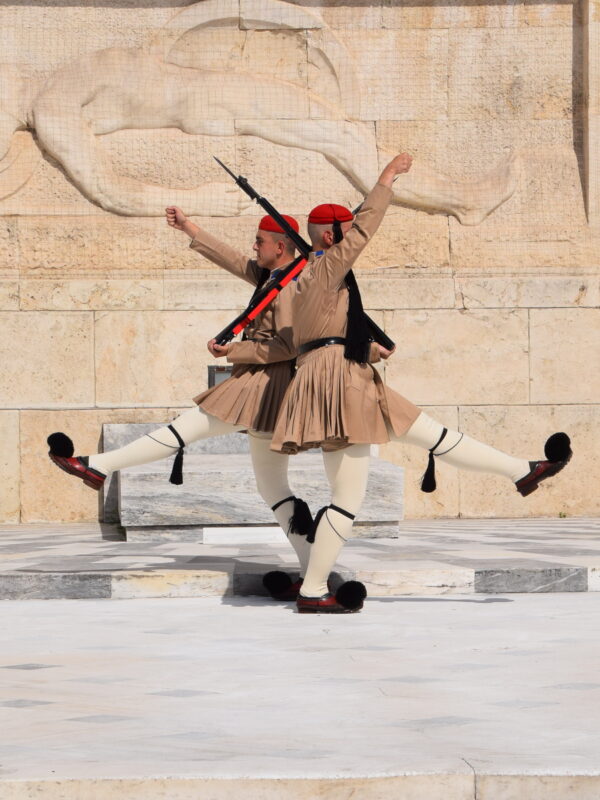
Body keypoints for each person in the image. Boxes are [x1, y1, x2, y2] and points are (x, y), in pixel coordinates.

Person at [270, 152, 572, 614]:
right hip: (340, 382)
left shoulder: (307, 277)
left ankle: (521, 470)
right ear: (332, 237)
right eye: (345, 234)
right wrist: (386, 179)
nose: (353, 240)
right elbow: (366, 227)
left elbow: (311, 335)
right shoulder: (327, 265)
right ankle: (313, 590)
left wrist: (370, 349)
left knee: (430, 432)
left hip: (344, 371)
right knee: (347, 499)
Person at [47, 209, 314, 599]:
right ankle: (314, 572)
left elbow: (288, 345)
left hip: (264, 385)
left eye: (259, 241)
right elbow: (234, 260)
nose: (253, 247)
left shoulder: (290, 287)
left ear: (281, 246)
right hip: (263, 386)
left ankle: (98, 466)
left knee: (185, 428)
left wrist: (233, 350)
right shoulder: (272, 276)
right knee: (272, 487)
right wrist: (189, 228)